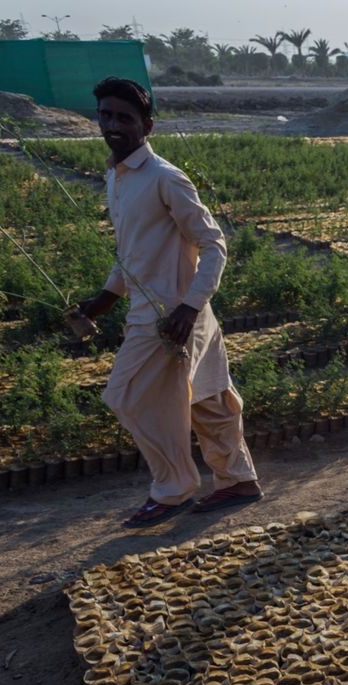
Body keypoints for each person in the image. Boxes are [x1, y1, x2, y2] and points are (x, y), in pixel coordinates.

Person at [73, 77, 261, 527]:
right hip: (163, 312)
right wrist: (103, 298)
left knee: (126, 396)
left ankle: (173, 489)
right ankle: (237, 479)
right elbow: (131, 252)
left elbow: (213, 244)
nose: (113, 125)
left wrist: (189, 307)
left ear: (147, 125)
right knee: (209, 401)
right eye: (106, 116)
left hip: (171, 317)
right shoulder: (116, 180)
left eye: (124, 118)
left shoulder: (165, 178)